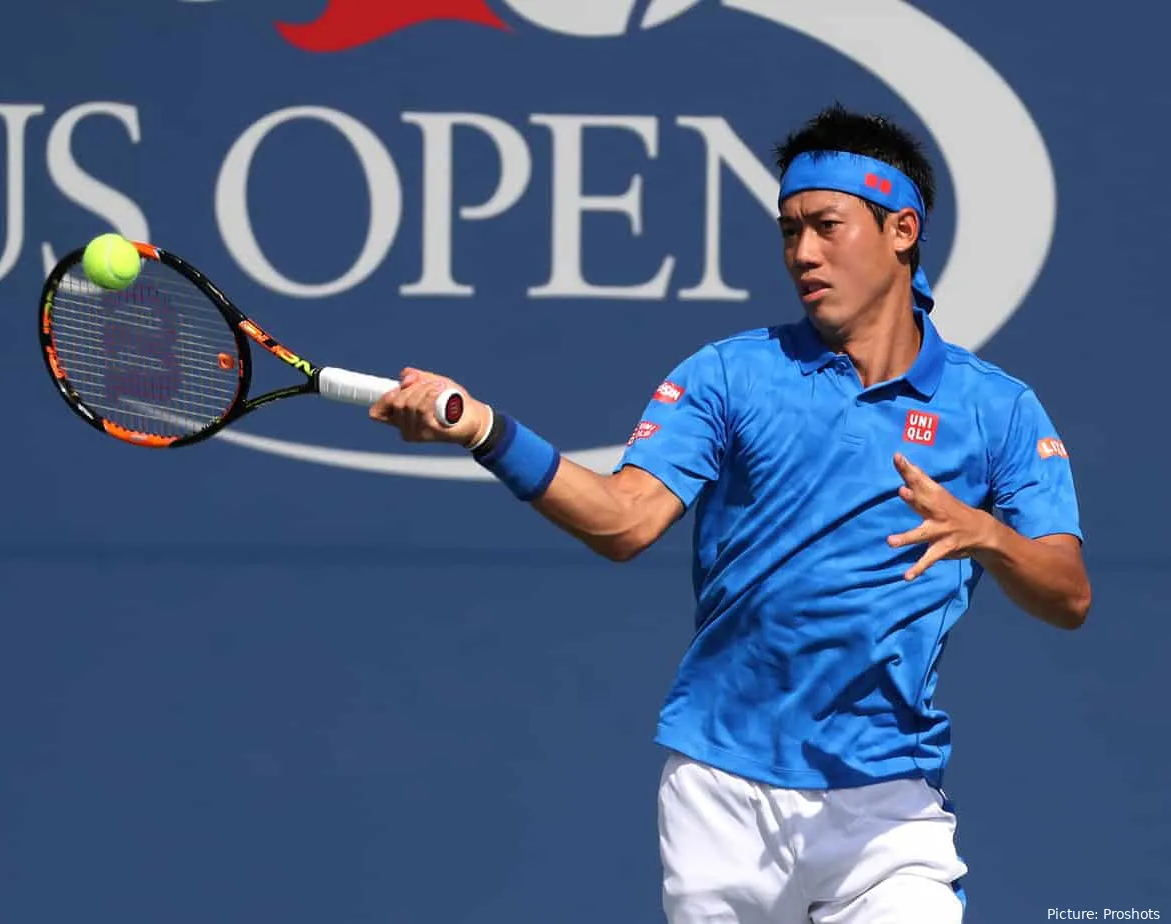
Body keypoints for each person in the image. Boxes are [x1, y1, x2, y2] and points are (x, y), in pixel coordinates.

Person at [368, 104, 1090, 923]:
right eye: (789, 231)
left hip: (892, 805)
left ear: (901, 229)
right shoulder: (728, 376)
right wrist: (487, 432)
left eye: (826, 226)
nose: (802, 254)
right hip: (721, 794)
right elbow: (623, 521)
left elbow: (1067, 595)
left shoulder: (998, 409)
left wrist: (987, 535)